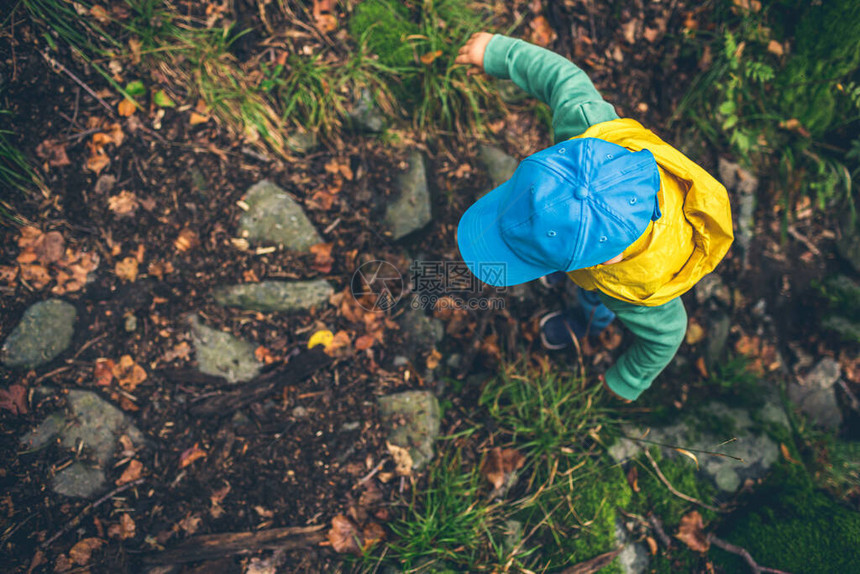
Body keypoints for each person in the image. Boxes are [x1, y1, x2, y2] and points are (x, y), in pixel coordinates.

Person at [454, 32, 733, 402]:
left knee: (593, 303)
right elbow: (561, 78)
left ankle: (583, 322)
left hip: (612, 282)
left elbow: (668, 334)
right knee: (563, 241)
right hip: (591, 253)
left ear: (606, 260)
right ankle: (555, 254)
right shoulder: (588, 134)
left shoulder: (639, 290)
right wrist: (498, 52)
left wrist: (628, 380)